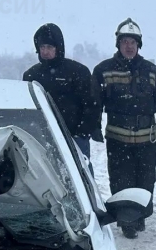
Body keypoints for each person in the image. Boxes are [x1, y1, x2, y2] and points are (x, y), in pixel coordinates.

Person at [92, 18, 156, 238]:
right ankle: (127, 221)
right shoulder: (103, 70)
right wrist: (93, 125)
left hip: (146, 139)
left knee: (145, 181)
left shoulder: (152, 71)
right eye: (125, 42)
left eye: (132, 42)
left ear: (138, 44)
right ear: (118, 44)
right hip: (118, 139)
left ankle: (139, 216)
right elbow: (94, 102)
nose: (129, 46)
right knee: (121, 180)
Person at [23, 23, 100, 170]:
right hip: (42, 139)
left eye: (49, 47)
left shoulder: (78, 72)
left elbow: (92, 105)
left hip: (74, 138)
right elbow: (26, 108)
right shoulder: (31, 75)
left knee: (79, 174)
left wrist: (81, 132)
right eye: (42, 47)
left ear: (58, 48)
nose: (45, 51)